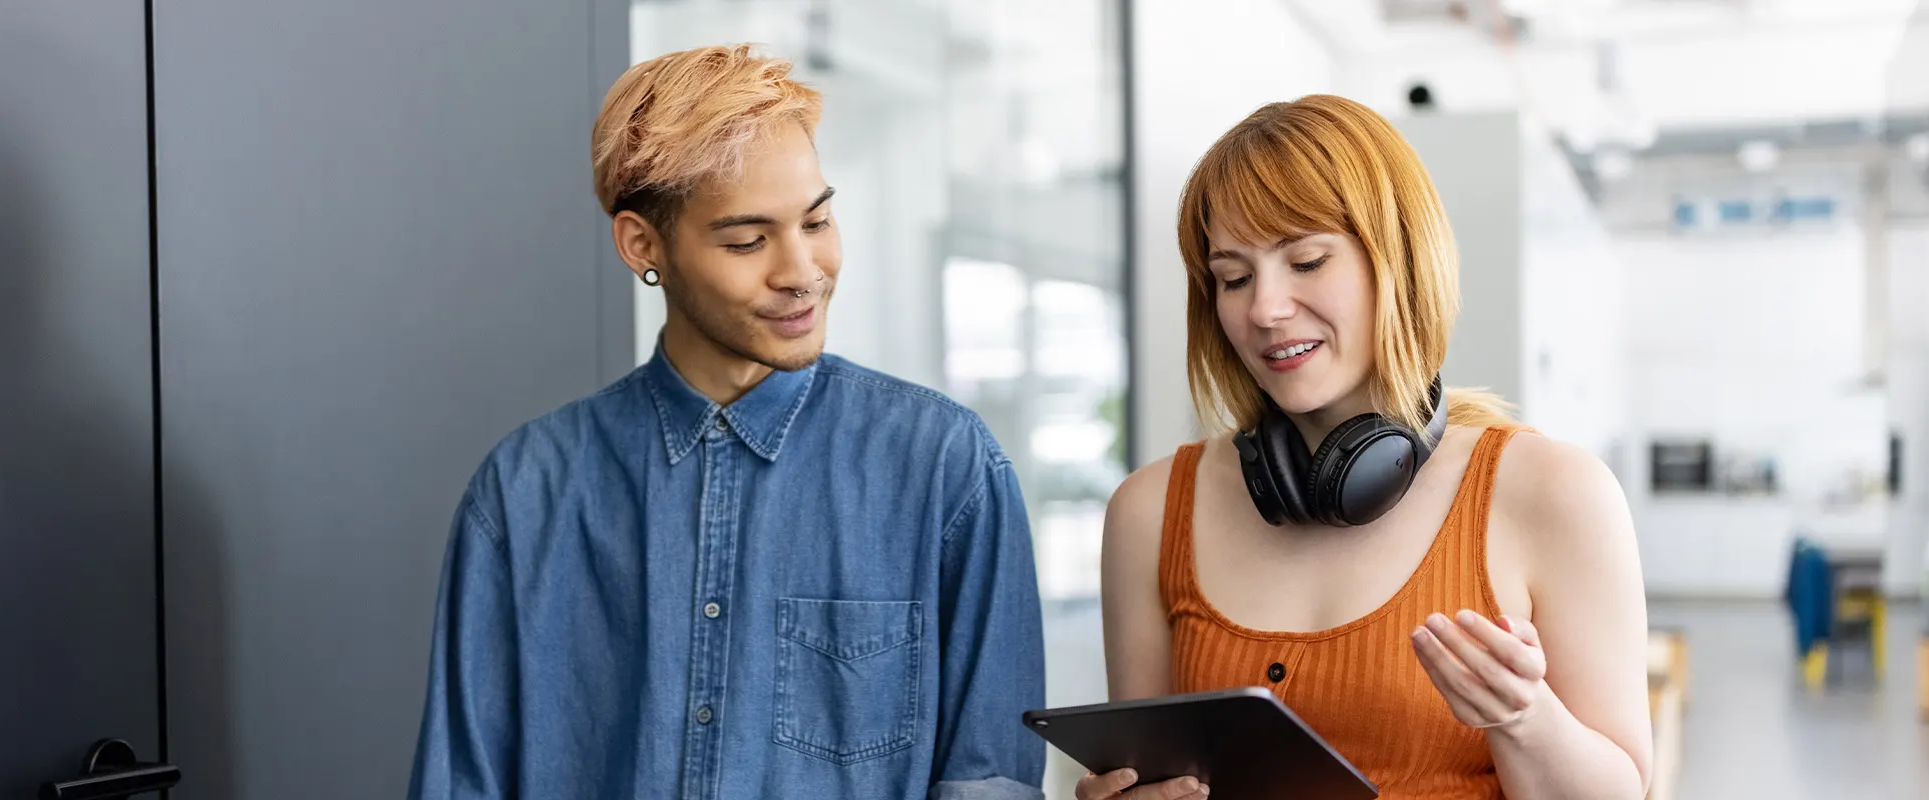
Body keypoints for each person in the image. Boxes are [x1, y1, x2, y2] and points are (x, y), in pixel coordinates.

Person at [410, 44, 1047, 800]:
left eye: (817, 221)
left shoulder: (944, 466)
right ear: (642, 245)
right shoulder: (524, 493)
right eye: (748, 241)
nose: (802, 271)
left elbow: (990, 781)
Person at [1077, 95, 1651, 800]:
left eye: (1308, 261)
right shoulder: (1149, 511)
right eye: (1233, 278)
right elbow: (1148, 776)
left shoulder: (1555, 492)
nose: (1264, 308)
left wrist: (1525, 719)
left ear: (1399, 260)